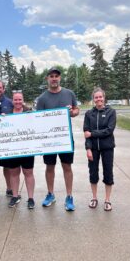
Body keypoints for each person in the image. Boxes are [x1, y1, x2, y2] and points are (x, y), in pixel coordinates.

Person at [36, 67, 79, 211]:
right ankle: (50, 194)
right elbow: (38, 119)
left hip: (65, 138)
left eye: (56, 76)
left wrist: (71, 112)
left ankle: (69, 196)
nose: (54, 78)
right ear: (47, 79)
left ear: (60, 78)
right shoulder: (42, 98)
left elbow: (76, 110)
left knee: (67, 166)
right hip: (49, 139)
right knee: (50, 167)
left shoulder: (69, 93)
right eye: (51, 76)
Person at [83, 87, 116, 211]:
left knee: (108, 172)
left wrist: (92, 134)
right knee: (93, 173)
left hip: (107, 148)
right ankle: (94, 198)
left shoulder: (111, 112)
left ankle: (107, 200)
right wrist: (88, 148)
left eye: (100, 97)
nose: (98, 99)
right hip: (93, 149)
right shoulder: (88, 114)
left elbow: (109, 130)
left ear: (104, 97)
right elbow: (86, 132)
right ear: (93, 99)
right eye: (96, 97)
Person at [8, 91, 36, 209]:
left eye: (20, 99)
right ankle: (15, 196)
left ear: (23, 100)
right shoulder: (8, 113)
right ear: (12, 101)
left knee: (28, 172)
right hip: (13, 148)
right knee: (14, 172)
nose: (18, 102)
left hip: (28, 148)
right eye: (15, 100)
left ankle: (30, 198)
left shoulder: (29, 112)